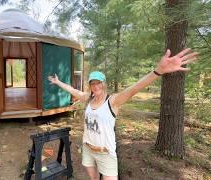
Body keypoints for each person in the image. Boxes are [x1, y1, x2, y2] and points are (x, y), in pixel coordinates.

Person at [48, 48, 198, 180]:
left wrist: (158, 71)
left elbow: (133, 89)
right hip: (88, 148)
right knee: (92, 177)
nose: (95, 86)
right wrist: (58, 82)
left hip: (106, 153)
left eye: (98, 82)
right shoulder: (88, 98)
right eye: (92, 83)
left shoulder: (113, 101)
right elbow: (73, 91)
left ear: (104, 83)